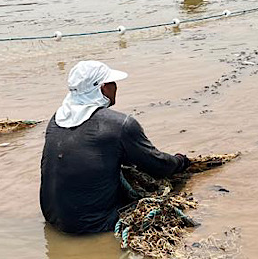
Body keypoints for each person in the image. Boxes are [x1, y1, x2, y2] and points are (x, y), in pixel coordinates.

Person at [40, 60, 189, 234]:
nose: (116, 86)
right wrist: (181, 161)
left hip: (52, 219)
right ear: (103, 88)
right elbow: (159, 166)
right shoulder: (120, 125)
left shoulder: (56, 119)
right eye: (112, 83)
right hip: (95, 225)